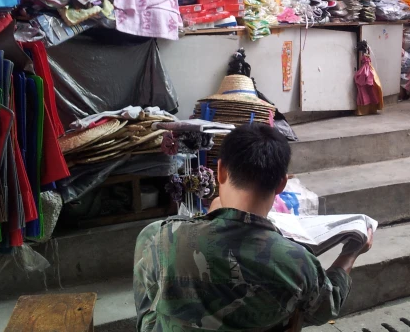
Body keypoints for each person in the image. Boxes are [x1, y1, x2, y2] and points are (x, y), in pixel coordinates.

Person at [134, 123, 374, 331]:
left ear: (220, 171)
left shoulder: (158, 237)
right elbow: (325, 308)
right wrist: (349, 255)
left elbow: (148, 308)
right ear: (281, 183)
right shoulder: (298, 263)